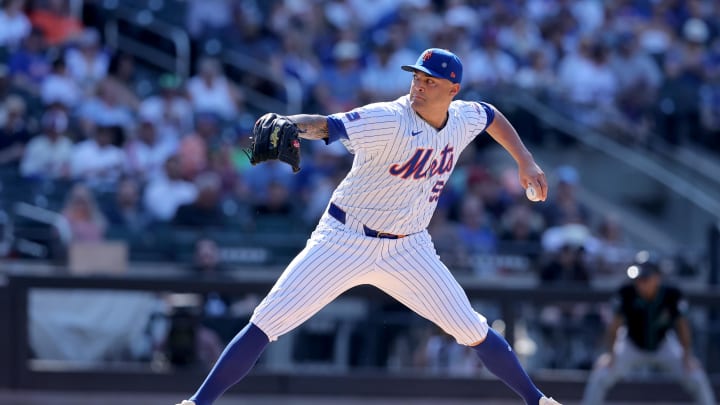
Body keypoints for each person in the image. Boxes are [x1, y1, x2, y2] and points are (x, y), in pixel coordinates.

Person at [176, 48, 560, 405]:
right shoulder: (389, 118)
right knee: (267, 321)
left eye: (430, 82)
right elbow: (329, 126)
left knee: (471, 328)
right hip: (344, 238)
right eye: (417, 78)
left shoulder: (463, 118)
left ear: (453, 90)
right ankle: (197, 403)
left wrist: (525, 160)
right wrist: (291, 124)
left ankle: (537, 400)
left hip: (409, 248)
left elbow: (490, 115)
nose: (419, 86)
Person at [581, 251, 717, 405]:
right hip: (631, 344)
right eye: (638, 279)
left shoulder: (671, 294)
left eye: (645, 279)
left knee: (696, 376)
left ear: (657, 277)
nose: (640, 283)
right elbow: (614, 327)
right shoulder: (626, 293)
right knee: (601, 375)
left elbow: (682, 327)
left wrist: (687, 356)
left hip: (663, 344)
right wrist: (610, 355)